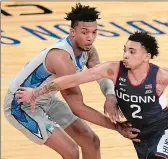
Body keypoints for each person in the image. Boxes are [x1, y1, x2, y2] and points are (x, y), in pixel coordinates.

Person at [16, 31, 168, 159]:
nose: (125, 55)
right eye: (125, 50)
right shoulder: (113, 70)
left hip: (163, 130)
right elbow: (71, 80)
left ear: (146, 57)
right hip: (138, 135)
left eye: (132, 52)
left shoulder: (161, 76)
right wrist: (37, 92)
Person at [3, 3, 140, 159]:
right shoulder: (61, 58)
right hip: (21, 105)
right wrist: (116, 127)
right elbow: (77, 107)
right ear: (72, 32)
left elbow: (101, 75)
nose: (90, 37)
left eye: (94, 32)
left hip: (45, 99)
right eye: (85, 32)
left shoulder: (87, 50)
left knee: (91, 141)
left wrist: (110, 95)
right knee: (71, 151)